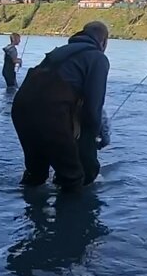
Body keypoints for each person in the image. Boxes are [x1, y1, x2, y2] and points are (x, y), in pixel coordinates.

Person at [10, 21, 112, 192]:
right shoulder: (98, 58)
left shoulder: (61, 52)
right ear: (104, 42)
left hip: (21, 108)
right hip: (50, 114)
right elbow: (93, 108)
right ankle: (73, 216)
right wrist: (94, 139)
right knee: (73, 177)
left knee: (36, 174)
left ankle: (28, 215)